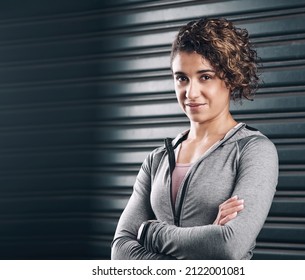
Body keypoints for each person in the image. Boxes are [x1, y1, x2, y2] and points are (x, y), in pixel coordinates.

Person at [111, 17, 278, 260]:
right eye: (182, 78)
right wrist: (203, 238)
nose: (191, 92)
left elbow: (227, 246)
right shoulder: (157, 159)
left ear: (230, 78)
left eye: (205, 77)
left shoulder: (253, 150)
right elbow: (120, 251)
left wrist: (149, 232)